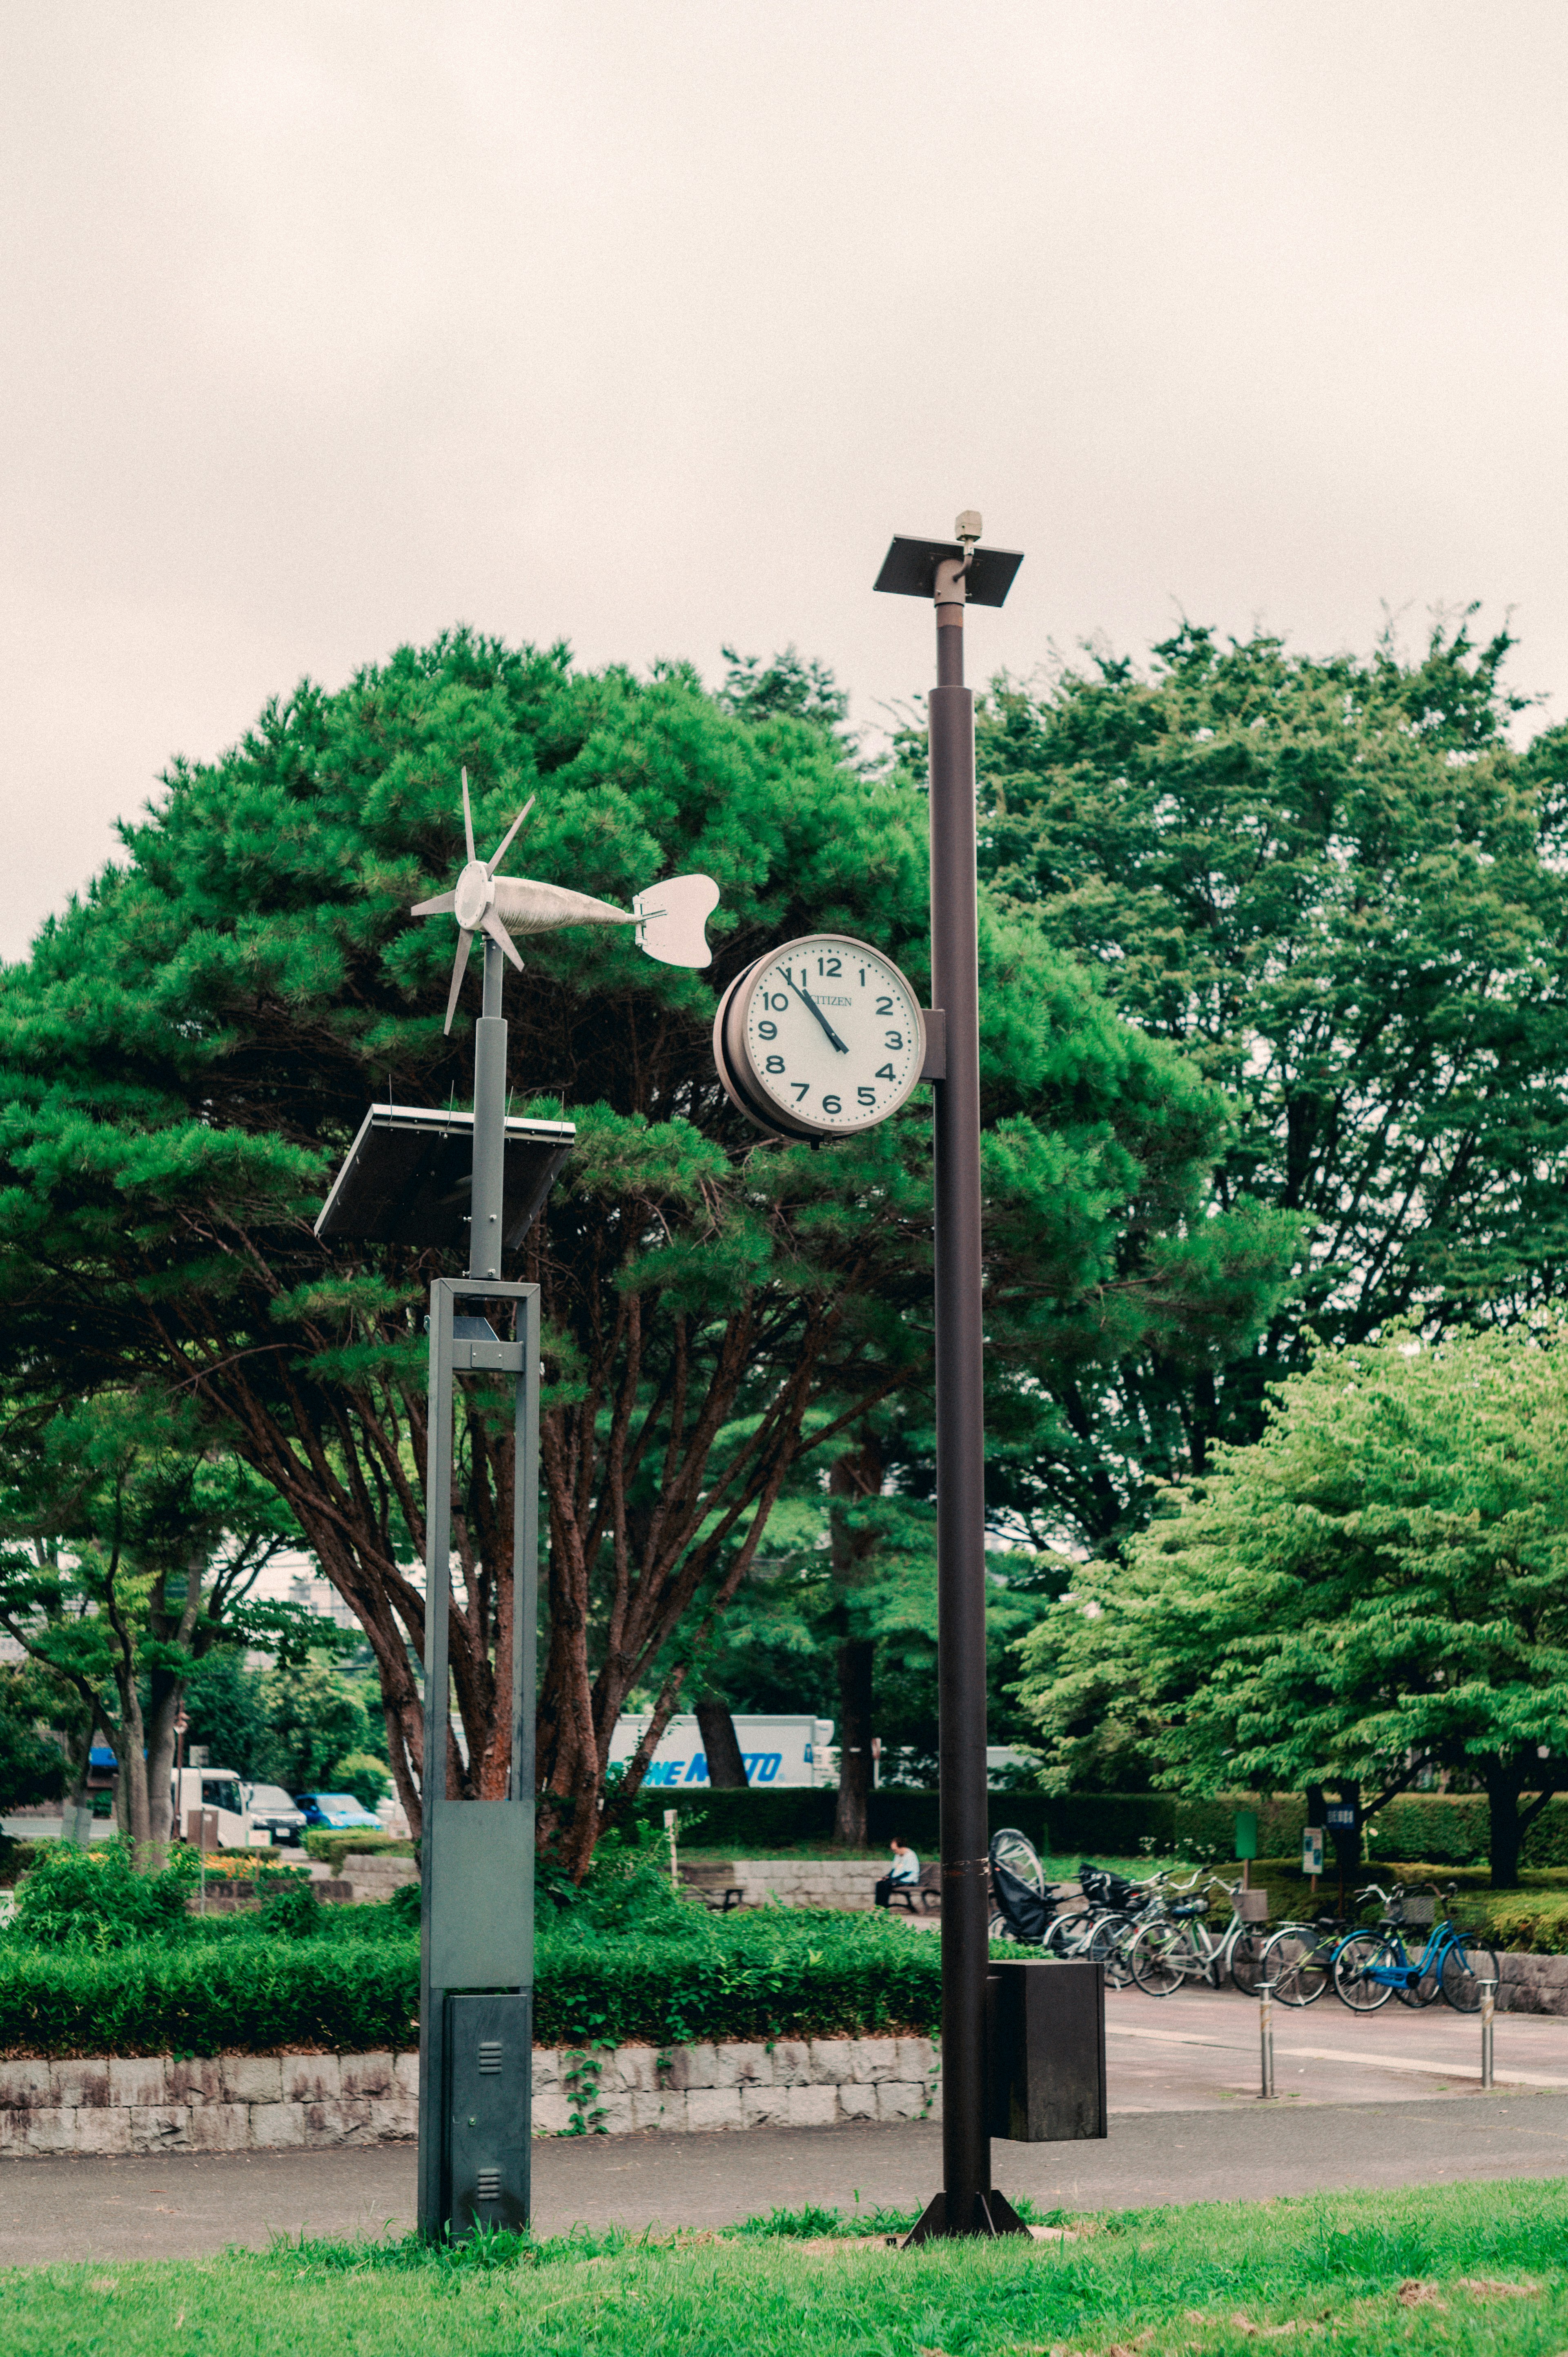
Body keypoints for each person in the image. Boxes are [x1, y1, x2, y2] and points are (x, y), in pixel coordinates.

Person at [874, 1836, 921, 1909]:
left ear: (902, 1847)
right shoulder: (898, 1855)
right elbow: (894, 1870)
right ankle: (878, 1907)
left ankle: (884, 1907)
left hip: (908, 1880)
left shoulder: (910, 1856)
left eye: (895, 1850)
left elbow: (907, 1873)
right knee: (880, 1883)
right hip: (898, 1879)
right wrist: (886, 1877)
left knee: (887, 1884)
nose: (894, 1852)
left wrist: (893, 1880)